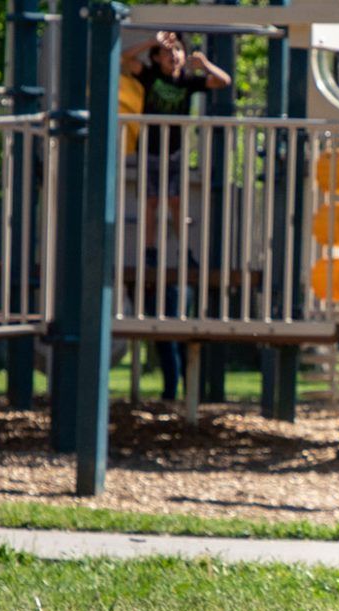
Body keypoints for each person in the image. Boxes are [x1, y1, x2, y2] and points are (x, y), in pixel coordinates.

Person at [120, 32, 227, 401]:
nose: (173, 58)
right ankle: (153, 249)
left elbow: (222, 81)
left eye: (177, 51)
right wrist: (151, 41)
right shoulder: (151, 75)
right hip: (153, 152)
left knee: (175, 202)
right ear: (156, 59)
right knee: (153, 202)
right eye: (166, 53)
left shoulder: (186, 79)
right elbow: (124, 60)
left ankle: (185, 250)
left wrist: (203, 62)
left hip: (175, 154)